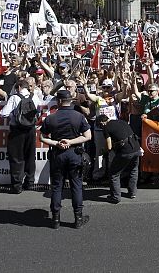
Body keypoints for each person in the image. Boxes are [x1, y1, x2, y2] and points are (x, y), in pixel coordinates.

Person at [40, 89, 92, 229]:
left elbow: (42, 137)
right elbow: (87, 136)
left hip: (58, 154)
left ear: (59, 101)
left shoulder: (51, 118)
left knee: (57, 186)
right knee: (76, 185)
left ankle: (56, 219)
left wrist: (57, 143)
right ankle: (78, 218)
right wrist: (71, 142)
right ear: (70, 101)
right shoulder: (79, 117)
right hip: (74, 153)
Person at [0, 81, 43, 193]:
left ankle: (17, 185)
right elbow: (39, 111)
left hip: (17, 130)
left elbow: (3, 114)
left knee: (16, 158)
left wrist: (14, 114)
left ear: (19, 87)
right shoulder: (35, 96)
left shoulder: (14, 98)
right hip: (31, 130)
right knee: (30, 156)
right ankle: (29, 182)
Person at [98, 113, 141, 204]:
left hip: (125, 152)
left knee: (114, 174)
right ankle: (132, 193)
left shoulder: (106, 127)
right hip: (136, 148)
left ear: (102, 123)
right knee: (133, 169)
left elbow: (109, 146)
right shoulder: (121, 121)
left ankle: (115, 197)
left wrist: (103, 151)